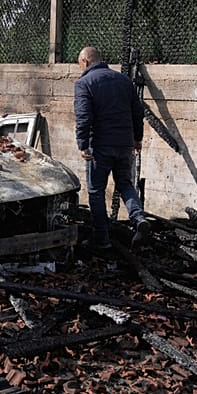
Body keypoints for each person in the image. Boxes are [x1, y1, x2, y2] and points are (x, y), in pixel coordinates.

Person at [74, 46, 149, 249]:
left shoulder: (84, 83)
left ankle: (102, 239)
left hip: (100, 146)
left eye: (80, 64)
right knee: (125, 184)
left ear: (85, 62)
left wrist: (83, 144)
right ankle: (139, 219)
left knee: (96, 191)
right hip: (124, 143)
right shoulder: (124, 81)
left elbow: (83, 117)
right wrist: (137, 139)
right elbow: (138, 112)